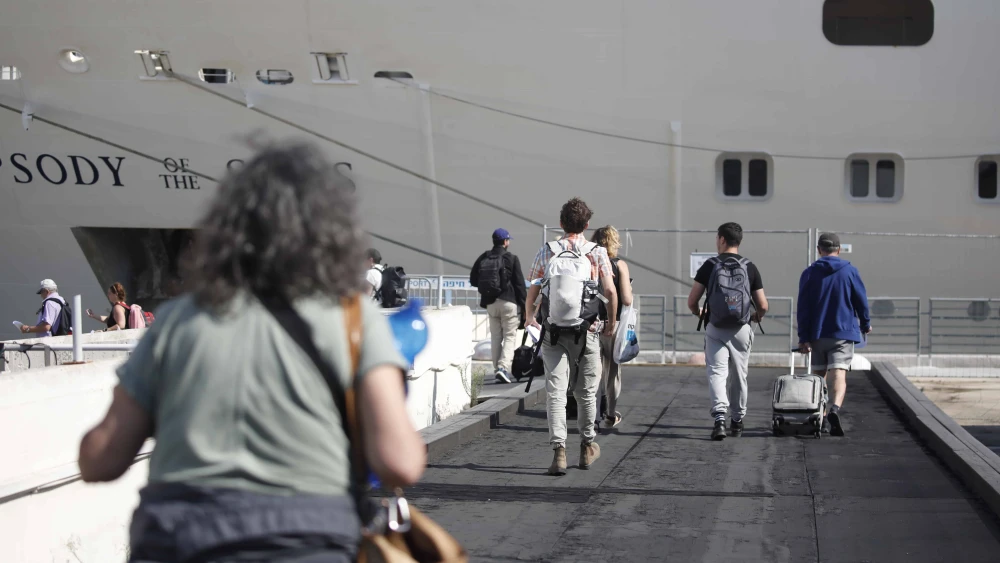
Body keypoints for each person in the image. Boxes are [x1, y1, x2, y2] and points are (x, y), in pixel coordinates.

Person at [77, 139, 426, 562]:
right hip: (307, 537)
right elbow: (400, 463)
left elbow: (101, 460)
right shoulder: (354, 320)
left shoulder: (177, 322)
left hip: (180, 539)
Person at [525, 198, 617, 476]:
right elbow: (610, 292)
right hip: (586, 330)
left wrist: (530, 317)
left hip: (553, 331)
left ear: (562, 223)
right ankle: (587, 447)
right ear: (587, 225)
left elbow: (534, 287)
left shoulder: (548, 250)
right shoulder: (596, 252)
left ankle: (559, 452)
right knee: (587, 392)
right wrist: (611, 323)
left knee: (555, 392)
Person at [687, 222, 768, 441]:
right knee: (740, 374)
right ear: (738, 241)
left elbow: (692, 301)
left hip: (716, 327)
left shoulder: (709, 265)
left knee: (717, 372)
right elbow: (763, 305)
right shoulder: (749, 267)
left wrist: (701, 314)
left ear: (722, 239)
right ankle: (738, 420)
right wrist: (753, 317)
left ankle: (719, 419)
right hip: (741, 328)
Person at [797, 232, 872, 437]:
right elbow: (860, 300)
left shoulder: (810, 273)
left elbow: (803, 307)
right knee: (839, 373)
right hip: (843, 332)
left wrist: (803, 337)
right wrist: (865, 323)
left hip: (817, 334)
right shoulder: (850, 271)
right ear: (838, 250)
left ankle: (819, 416)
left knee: (818, 377)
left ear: (819, 250)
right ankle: (835, 409)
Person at [470, 228, 528, 384]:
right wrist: (525, 307)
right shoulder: (512, 259)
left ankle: (497, 369)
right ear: (505, 242)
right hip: (509, 303)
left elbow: (473, 279)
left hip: (490, 303)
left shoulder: (484, 257)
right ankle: (503, 368)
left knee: (496, 337)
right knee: (510, 337)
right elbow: (520, 285)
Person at [592, 225, 633, 428]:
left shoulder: (589, 262)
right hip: (612, 323)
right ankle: (609, 414)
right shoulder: (619, 265)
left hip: (590, 322)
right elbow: (626, 298)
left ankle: (591, 415)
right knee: (612, 371)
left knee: (592, 370)